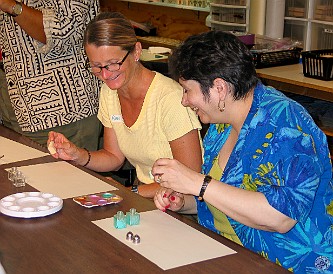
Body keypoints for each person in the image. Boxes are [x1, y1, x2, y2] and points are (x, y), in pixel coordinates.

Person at [152, 31, 333, 273]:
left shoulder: (285, 123)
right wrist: (184, 202)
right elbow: (225, 197)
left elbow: (280, 217)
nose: (184, 101)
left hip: (289, 263)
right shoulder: (220, 124)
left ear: (219, 88)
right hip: (230, 254)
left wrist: (198, 184)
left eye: (187, 89)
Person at [48, 12, 202, 198]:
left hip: (182, 204)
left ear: (136, 51)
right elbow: (114, 157)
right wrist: (77, 154)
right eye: (96, 66)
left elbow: (190, 180)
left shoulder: (169, 98)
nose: (105, 75)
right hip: (146, 195)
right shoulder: (109, 92)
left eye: (113, 64)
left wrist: (129, 192)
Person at [0, 0, 102, 150]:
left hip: (61, 112)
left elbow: (64, 30)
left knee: (66, 173)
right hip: (12, 105)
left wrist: (10, 5)